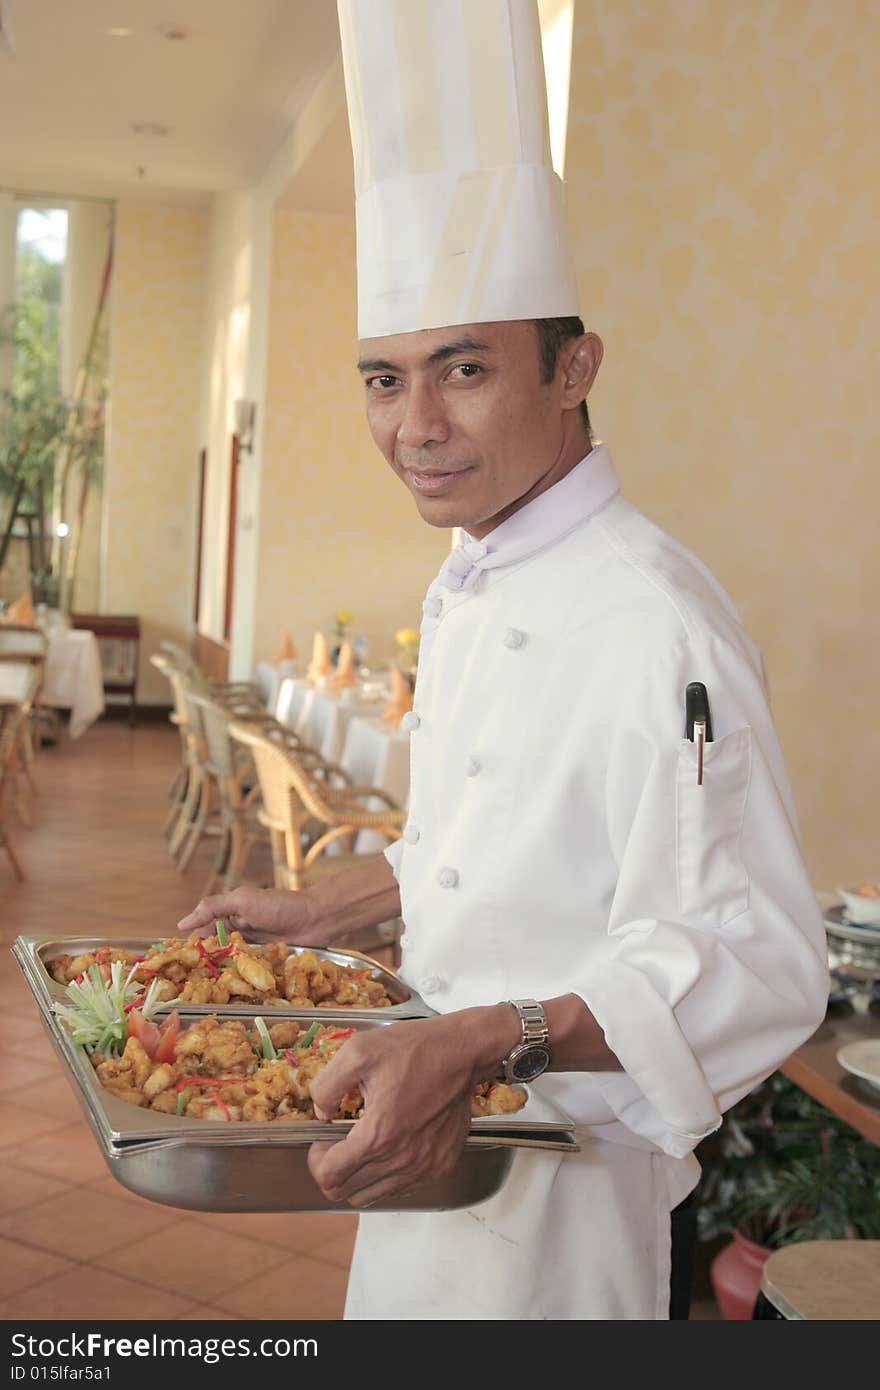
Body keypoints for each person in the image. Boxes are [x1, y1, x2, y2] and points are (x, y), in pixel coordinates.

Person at [179, 1, 828, 1319]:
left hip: (566, 1204)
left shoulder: (658, 619)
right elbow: (498, 846)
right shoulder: (476, 573)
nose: (414, 425)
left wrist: (485, 1036)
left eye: (464, 369)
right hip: (435, 1140)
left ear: (574, 364)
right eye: (382, 377)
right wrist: (336, 906)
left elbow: (756, 959)